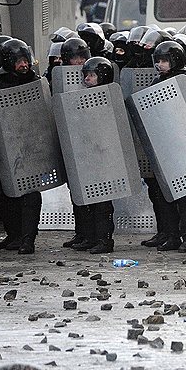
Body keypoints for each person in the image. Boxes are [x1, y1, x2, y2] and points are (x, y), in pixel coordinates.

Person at [0, 39, 43, 255]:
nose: (24, 65)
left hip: (27, 148)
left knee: (28, 193)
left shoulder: (36, 82)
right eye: (19, 61)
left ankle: (26, 239)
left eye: (26, 61)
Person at [140, 41, 186, 253]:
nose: (160, 65)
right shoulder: (157, 81)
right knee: (165, 195)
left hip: (184, 146)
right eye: (157, 60)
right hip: (165, 146)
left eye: (164, 61)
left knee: (185, 197)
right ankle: (170, 234)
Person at [64, 57, 118, 254]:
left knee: (103, 204)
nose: (87, 79)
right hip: (89, 157)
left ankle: (104, 240)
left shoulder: (110, 98)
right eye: (85, 75)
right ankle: (89, 237)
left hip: (105, 158)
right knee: (90, 201)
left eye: (92, 75)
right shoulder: (84, 97)